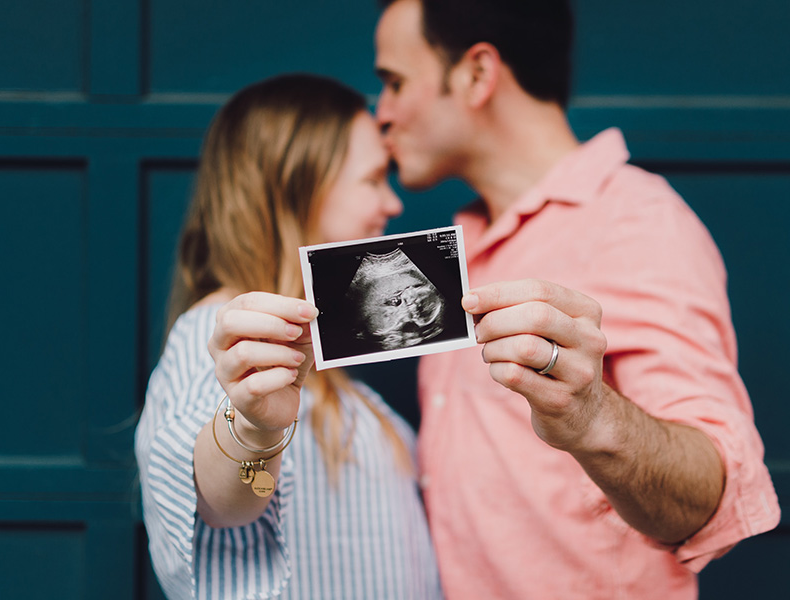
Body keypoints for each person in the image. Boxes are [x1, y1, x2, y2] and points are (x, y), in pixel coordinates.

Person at [372, 1, 780, 598]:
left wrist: (591, 417)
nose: (380, 114)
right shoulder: (458, 249)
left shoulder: (635, 222)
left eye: (395, 82)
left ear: (477, 74)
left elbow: (710, 500)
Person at [134, 73, 443, 600]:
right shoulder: (221, 339)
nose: (392, 205)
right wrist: (253, 428)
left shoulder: (326, 370)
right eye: (372, 179)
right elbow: (219, 501)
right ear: (295, 188)